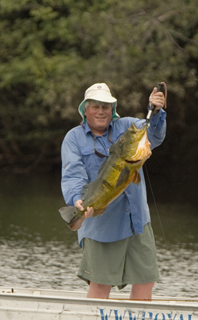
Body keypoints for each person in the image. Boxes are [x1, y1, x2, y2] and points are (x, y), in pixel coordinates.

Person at [61, 82, 166, 300]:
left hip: (137, 222)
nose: (101, 111)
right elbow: (72, 175)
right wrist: (78, 201)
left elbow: (153, 134)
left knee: (145, 281)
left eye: (106, 107)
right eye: (95, 106)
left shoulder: (127, 127)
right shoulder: (73, 138)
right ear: (85, 110)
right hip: (102, 227)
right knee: (100, 286)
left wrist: (155, 111)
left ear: (113, 109)